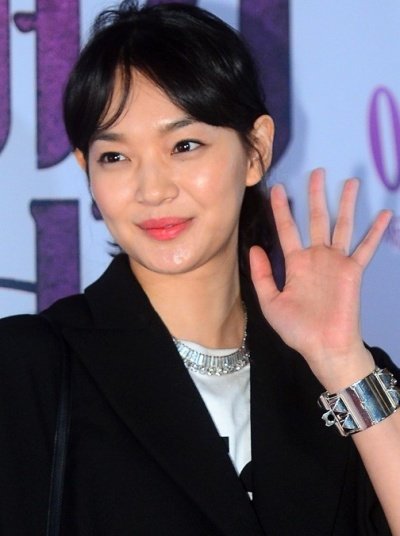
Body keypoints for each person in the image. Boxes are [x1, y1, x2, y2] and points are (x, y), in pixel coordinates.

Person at [1, 1, 399, 534]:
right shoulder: (30, 368)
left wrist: (342, 362)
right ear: (85, 169)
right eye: (115, 157)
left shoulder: (340, 376)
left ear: (255, 150)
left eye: (184, 146)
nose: (152, 189)